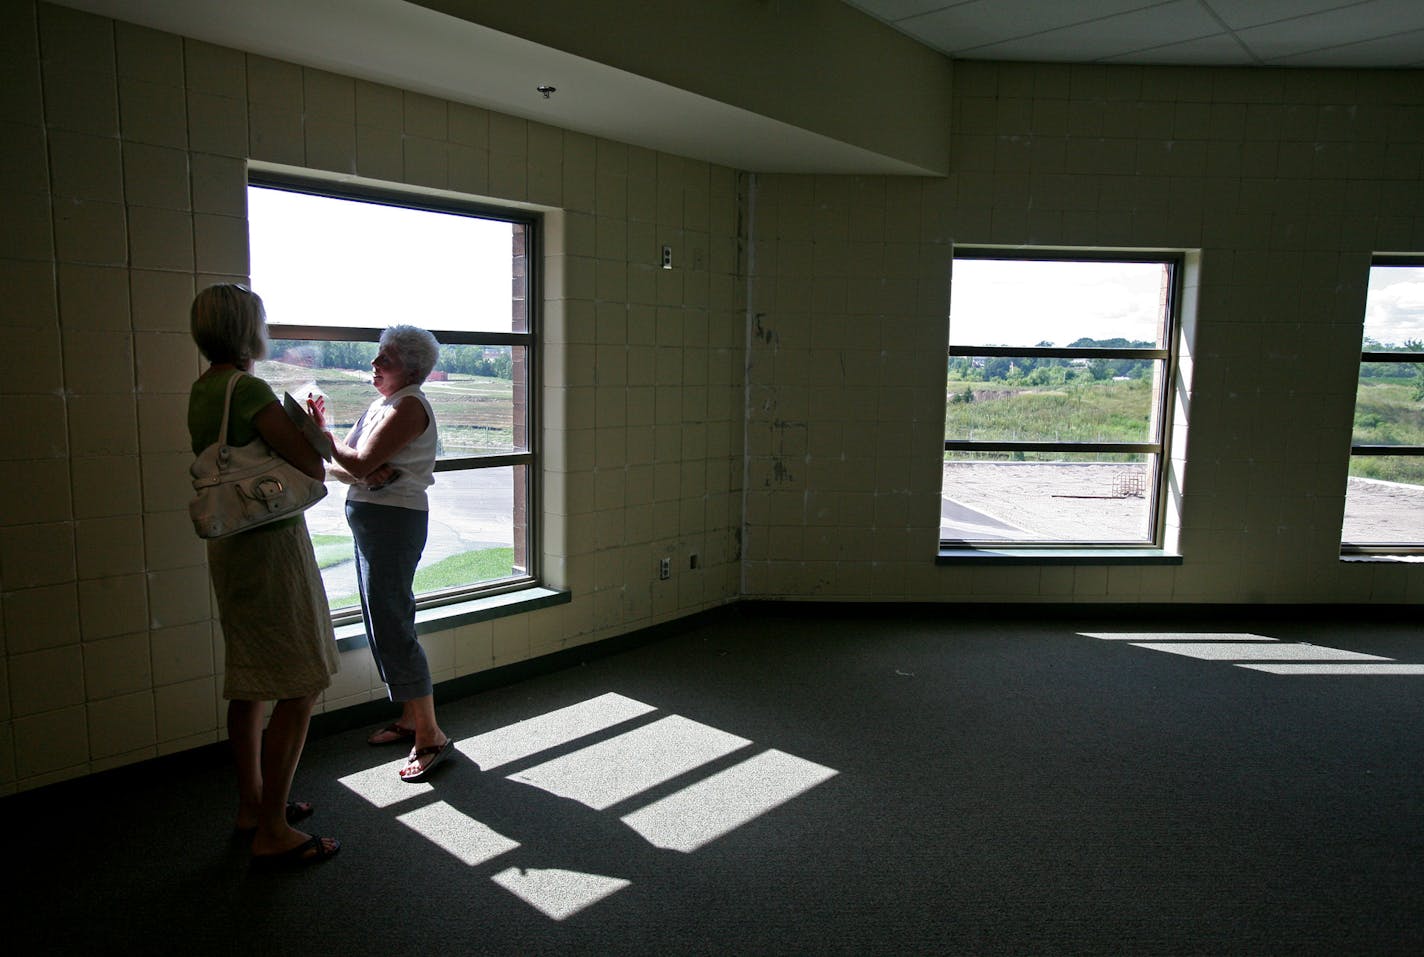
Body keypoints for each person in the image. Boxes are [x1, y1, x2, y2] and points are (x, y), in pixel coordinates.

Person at [187, 283, 341, 867]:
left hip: (231, 545)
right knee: (301, 685)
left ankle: (253, 804)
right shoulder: (248, 389)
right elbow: (309, 463)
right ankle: (273, 829)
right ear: (249, 330)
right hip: (270, 546)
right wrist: (309, 426)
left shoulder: (205, 389)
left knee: (250, 677)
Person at [312, 325, 455, 782]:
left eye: (385, 359)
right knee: (382, 621)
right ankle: (412, 719)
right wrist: (357, 469)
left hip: (394, 523)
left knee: (392, 623)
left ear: (411, 369)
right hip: (374, 522)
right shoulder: (382, 404)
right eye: (378, 356)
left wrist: (324, 436)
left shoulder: (410, 405)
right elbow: (351, 465)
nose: (374, 365)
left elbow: (352, 462)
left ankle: (430, 733)